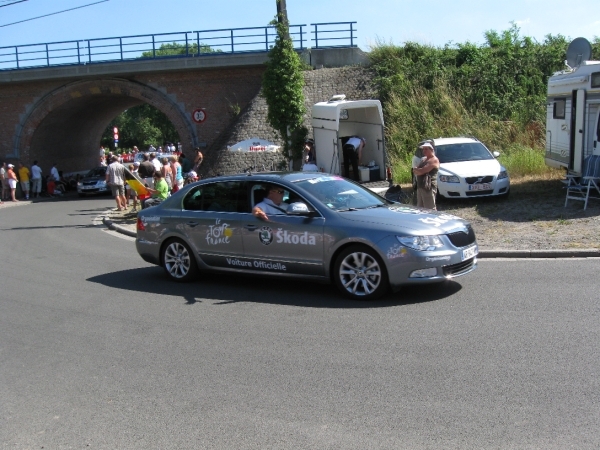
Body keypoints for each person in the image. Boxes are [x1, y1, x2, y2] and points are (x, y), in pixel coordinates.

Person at [412, 141, 440, 210]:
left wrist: (418, 171)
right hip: (420, 186)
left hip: (428, 187)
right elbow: (414, 170)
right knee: (420, 208)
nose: (424, 151)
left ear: (431, 150)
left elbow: (422, 171)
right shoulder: (423, 159)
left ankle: (433, 220)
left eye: (426, 149)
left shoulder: (434, 160)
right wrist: (417, 170)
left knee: (430, 208)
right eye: (423, 149)